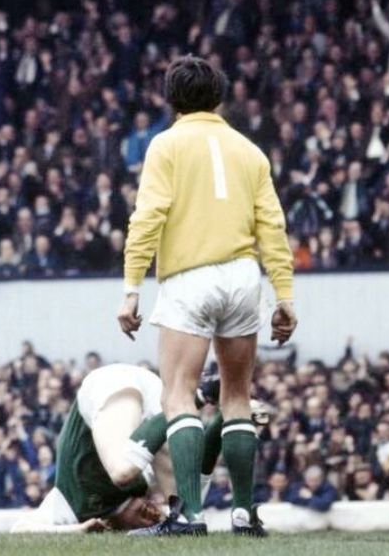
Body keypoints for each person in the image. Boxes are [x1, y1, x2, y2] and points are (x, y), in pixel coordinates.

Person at [118, 56, 296, 536]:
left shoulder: (166, 145)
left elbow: (148, 216)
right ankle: (244, 513)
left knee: (179, 395)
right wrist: (284, 295)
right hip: (242, 275)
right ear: (219, 97)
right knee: (237, 397)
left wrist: (132, 288)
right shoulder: (249, 150)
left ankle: (189, 515)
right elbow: (272, 226)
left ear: (171, 99)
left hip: (190, 276)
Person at [10, 364, 169, 533]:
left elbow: (19, 529)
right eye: (157, 519)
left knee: (122, 472)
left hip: (106, 387)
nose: (154, 516)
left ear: (111, 527)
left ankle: (180, 407)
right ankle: (182, 406)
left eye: (149, 523)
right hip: (153, 397)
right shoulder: (147, 480)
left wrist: (78, 529)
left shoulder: (71, 506)